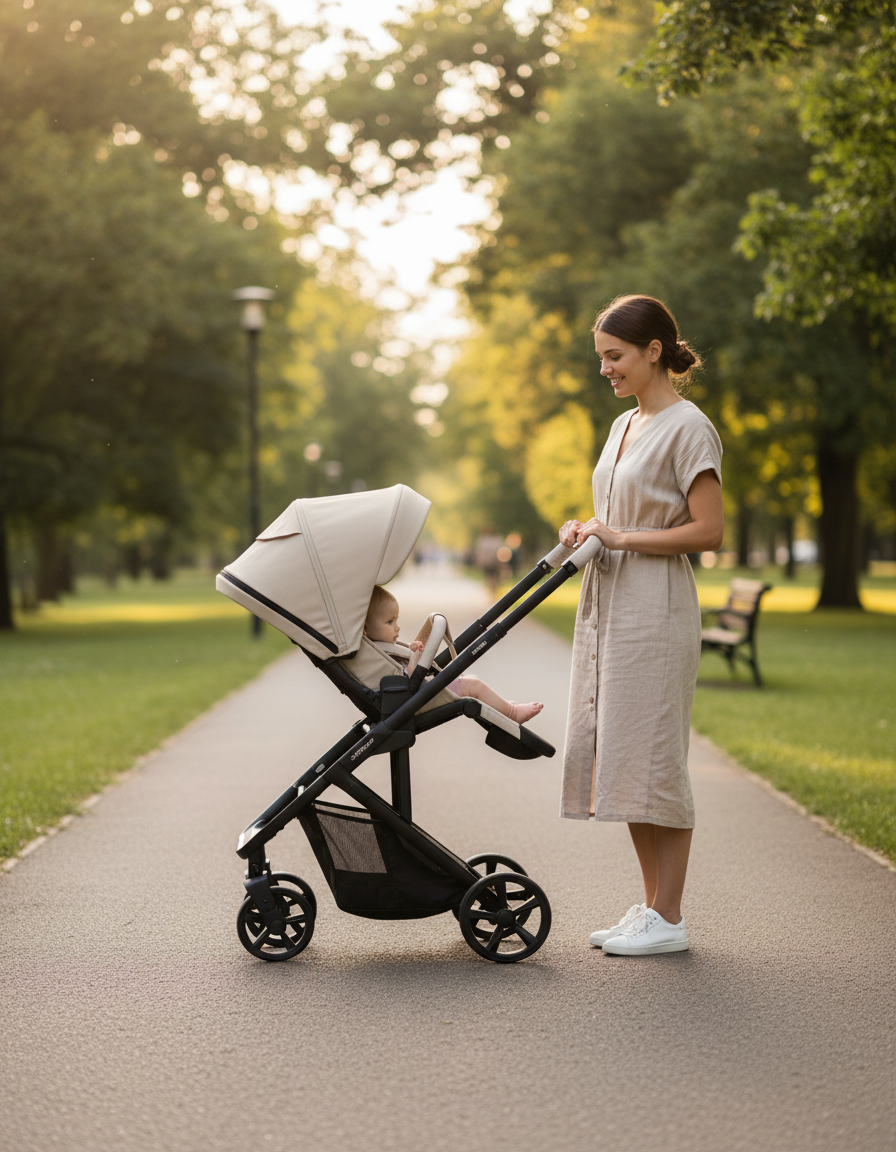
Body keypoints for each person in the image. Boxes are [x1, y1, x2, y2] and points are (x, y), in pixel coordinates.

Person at [558, 294, 723, 957]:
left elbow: (708, 530)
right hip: (611, 607)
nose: (605, 368)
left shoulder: (689, 427)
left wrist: (620, 535)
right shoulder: (623, 425)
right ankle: (652, 908)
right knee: (624, 760)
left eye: (614, 355)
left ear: (654, 351)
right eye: (602, 357)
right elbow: (617, 513)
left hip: (655, 609)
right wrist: (586, 527)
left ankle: (672, 917)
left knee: (656, 762)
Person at [364, 584, 543, 725]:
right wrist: (415, 659)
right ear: (365, 628)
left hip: (416, 695)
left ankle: (503, 708)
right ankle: (513, 713)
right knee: (473, 685)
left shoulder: (375, 650)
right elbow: (404, 681)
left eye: (396, 620)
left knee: (468, 679)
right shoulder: (375, 654)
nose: (397, 627)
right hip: (414, 699)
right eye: (389, 622)